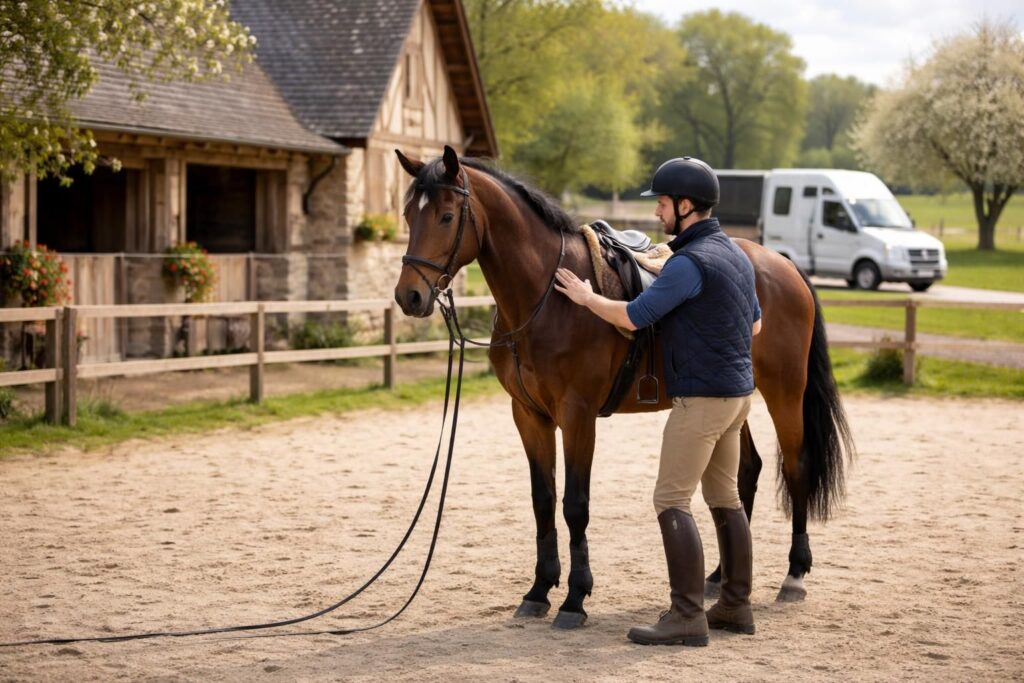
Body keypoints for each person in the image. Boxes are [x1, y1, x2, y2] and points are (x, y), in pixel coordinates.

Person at [554, 156, 761, 646]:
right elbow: (756, 326)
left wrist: (586, 299)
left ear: (686, 206)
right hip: (738, 397)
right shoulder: (732, 254)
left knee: (670, 499)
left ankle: (687, 615)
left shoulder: (690, 264)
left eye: (663, 204)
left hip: (701, 399)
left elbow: (633, 317)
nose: (657, 213)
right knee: (725, 498)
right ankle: (735, 604)